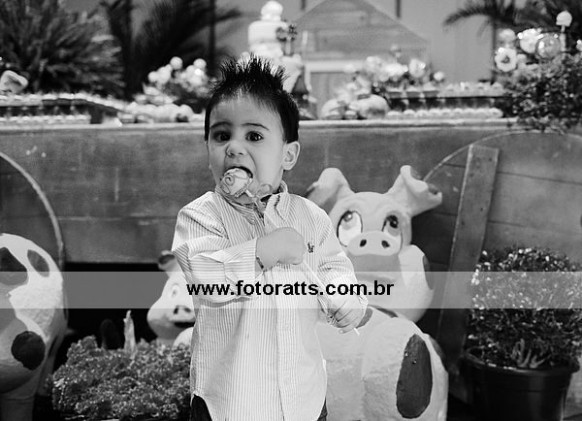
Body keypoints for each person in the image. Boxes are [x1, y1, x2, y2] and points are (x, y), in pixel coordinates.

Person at [171, 55, 367, 421]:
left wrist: (345, 298)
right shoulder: (200, 216)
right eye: (221, 135)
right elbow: (207, 279)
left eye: (254, 136)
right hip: (232, 402)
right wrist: (262, 251)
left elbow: (334, 267)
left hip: (303, 399)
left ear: (288, 154)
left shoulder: (311, 218)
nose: (234, 147)